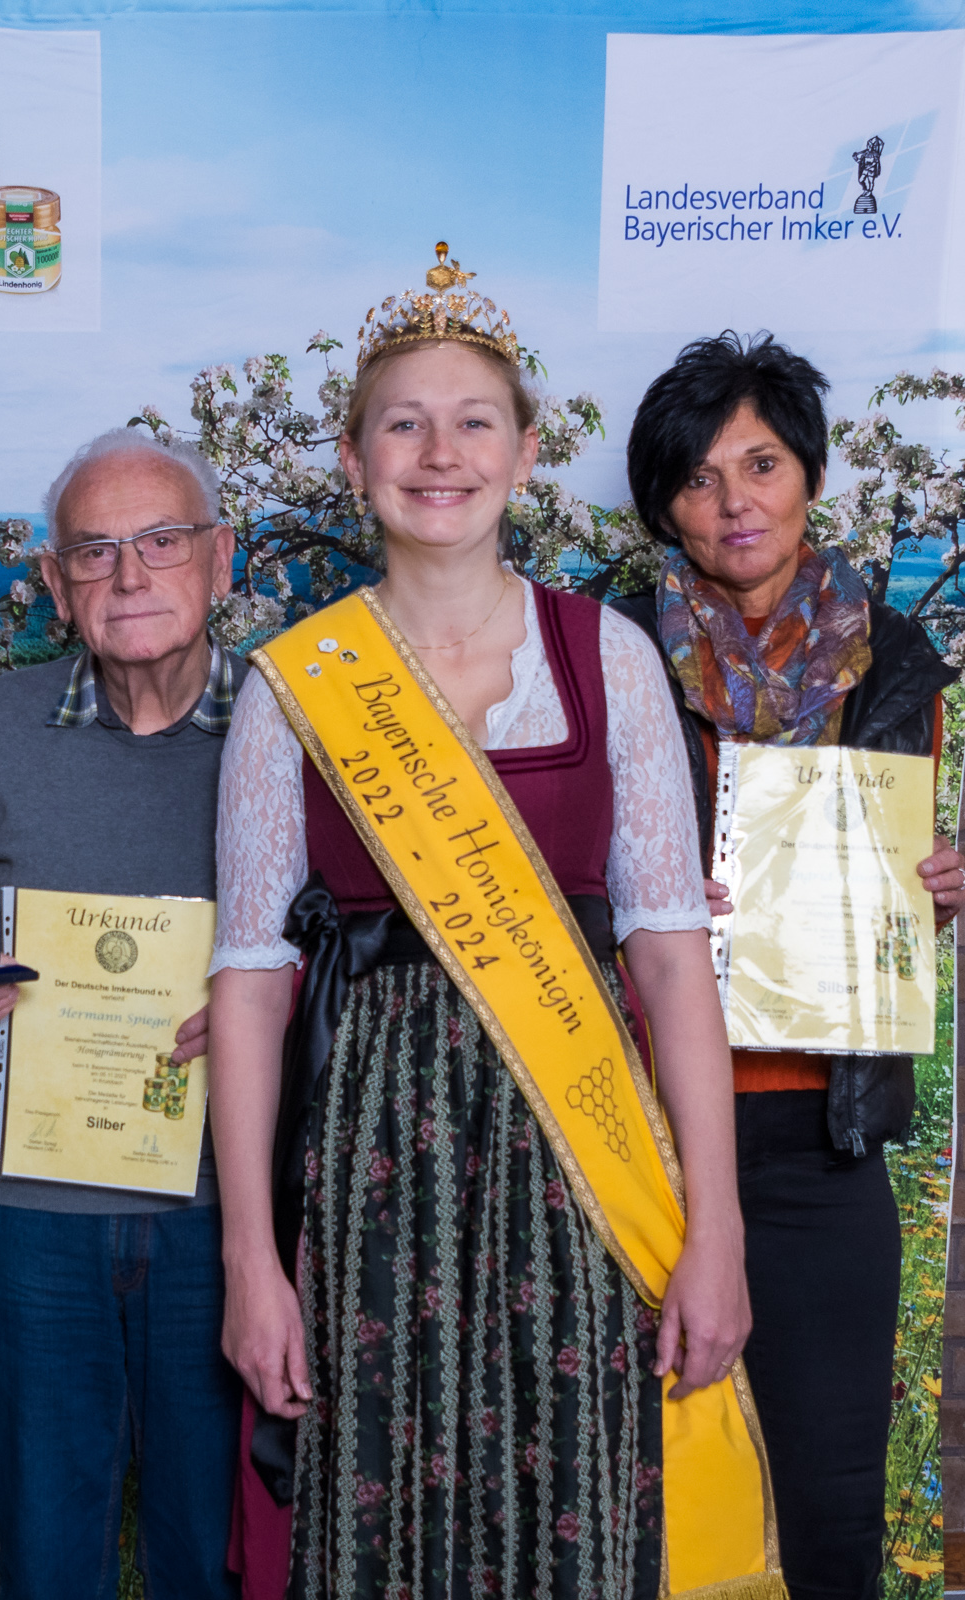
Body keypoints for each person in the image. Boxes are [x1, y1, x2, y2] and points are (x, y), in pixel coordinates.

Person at [207, 256, 765, 1597]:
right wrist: (250, 1261)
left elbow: (672, 959)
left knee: (572, 1500)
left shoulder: (607, 658)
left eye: (472, 422)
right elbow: (250, 985)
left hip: (578, 1161)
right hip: (370, 1168)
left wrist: (718, 1229)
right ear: (356, 462)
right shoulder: (294, 687)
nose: (439, 454)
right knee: (381, 1521)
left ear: (524, 451)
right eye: (404, 424)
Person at [614, 332, 963, 1600]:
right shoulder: (611, 660)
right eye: (699, 479)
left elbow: (904, 890)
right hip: (644, 1137)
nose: (735, 501)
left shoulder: (901, 664)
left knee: (830, 1509)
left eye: (761, 464)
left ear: (810, 475)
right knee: (646, 1506)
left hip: (825, 1133)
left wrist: (940, 892)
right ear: (664, 507)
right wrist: (631, 907)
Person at [0, 429, 243, 1599]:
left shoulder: (288, 731)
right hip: (27, 1216)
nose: (129, 576)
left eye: (162, 541)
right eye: (94, 551)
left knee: (212, 1556)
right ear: (53, 582)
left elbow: (342, 943)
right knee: (48, 1559)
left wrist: (261, 1003)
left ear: (223, 559)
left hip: (220, 1216)